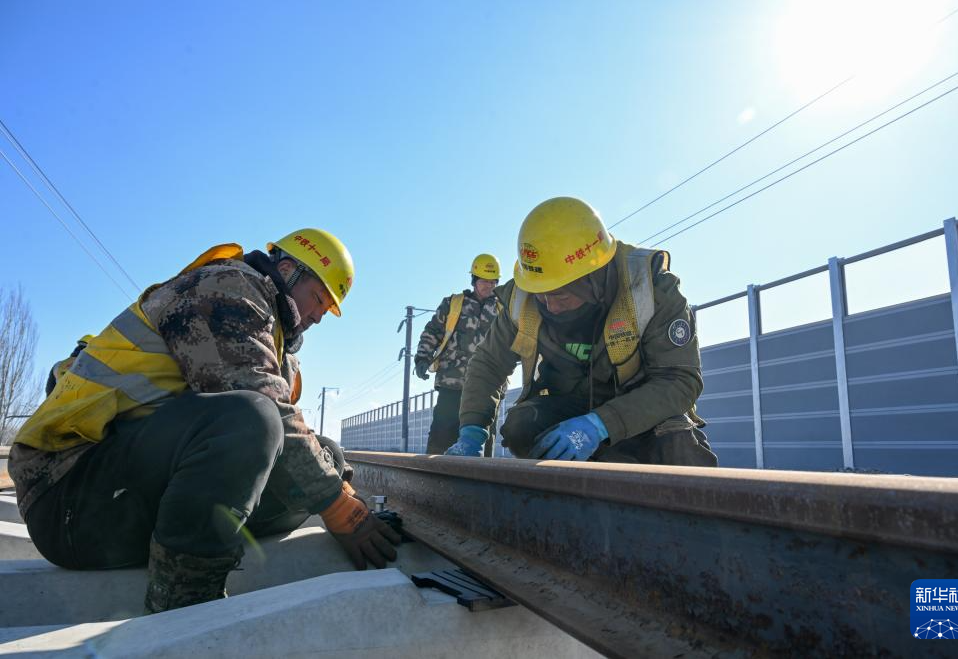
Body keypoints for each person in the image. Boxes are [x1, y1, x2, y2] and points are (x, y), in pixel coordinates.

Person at [10, 229, 401, 613]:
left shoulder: (273, 334)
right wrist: (339, 510)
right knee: (252, 419)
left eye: (326, 309)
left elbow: (296, 440)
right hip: (67, 498)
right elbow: (267, 411)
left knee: (326, 456)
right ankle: (184, 599)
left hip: (123, 498)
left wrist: (346, 495)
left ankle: (185, 552)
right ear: (286, 269)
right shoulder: (228, 287)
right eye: (317, 298)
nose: (317, 317)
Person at [445, 197, 717, 466]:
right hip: (570, 405)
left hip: (639, 409)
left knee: (678, 448)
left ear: (593, 279)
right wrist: (472, 431)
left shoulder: (649, 287)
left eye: (561, 296)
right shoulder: (524, 298)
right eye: (541, 295)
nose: (550, 305)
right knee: (522, 425)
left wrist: (600, 424)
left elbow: (680, 381)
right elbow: (489, 363)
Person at [414, 254, 505, 456]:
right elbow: (432, 332)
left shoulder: (502, 309)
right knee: (442, 434)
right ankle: (434, 481)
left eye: (493, 282)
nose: (488, 286)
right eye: (484, 281)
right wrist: (422, 358)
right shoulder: (453, 304)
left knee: (481, 440)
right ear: (474, 280)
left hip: (487, 387)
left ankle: (478, 482)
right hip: (452, 382)